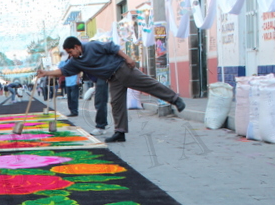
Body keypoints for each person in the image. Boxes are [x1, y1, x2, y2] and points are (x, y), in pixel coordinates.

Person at [38, 36, 185, 143]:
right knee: (116, 104)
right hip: (112, 79)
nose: (70, 55)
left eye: (71, 52)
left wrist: (128, 58)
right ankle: (120, 133)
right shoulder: (76, 61)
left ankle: (175, 99)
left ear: (77, 47)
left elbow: (112, 48)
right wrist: (46, 73)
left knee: (149, 84)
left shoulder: (92, 46)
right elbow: (63, 71)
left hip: (122, 69)